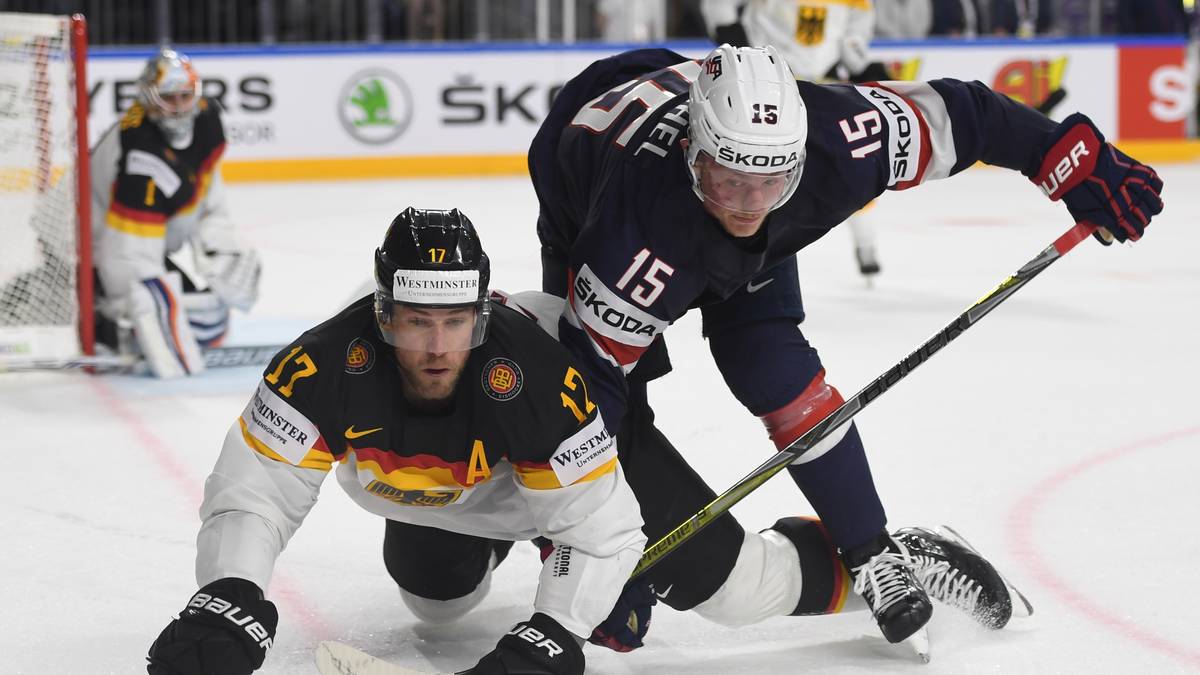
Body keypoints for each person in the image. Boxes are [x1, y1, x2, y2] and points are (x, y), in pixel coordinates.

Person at [528, 44, 1161, 655]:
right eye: (728, 180)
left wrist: (1073, 159)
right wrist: (607, 553)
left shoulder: (842, 136)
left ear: (800, 158)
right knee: (619, 410)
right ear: (694, 154)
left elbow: (969, 115)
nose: (749, 206)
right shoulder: (627, 242)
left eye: (771, 181)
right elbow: (593, 406)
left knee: (769, 364)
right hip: (582, 177)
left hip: (683, 159)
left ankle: (875, 551)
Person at [145, 208, 647, 675]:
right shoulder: (321, 364)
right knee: (436, 604)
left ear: (481, 314)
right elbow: (258, 491)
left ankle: (548, 527)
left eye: (455, 322)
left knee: (714, 591)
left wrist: (557, 632)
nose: (436, 348)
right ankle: (498, 542)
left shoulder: (540, 375)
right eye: (417, 322)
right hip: (431, 496)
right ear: (384, 313)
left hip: (547, 472)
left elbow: (602, 534)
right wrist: (231, 588)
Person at [90, 46, 261, 378]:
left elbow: (205, 197)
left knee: (211, 319)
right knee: (167, 314)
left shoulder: (207, 121)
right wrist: (140, 301)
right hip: (91, 252)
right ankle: (104, 319)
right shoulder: (138, 151)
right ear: (148, 98)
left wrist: (220, 247)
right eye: (169, 97)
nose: (181, 107)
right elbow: (126, 251)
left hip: (131, 241)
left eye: (186, 96)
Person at [700, 0, 888, 277]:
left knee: (849, 167)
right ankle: (738, 255)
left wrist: (859, 63)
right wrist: (729, 30)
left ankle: (866, 244)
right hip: (764, 89)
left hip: (819, 87)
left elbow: (854, 33)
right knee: (757, 174)